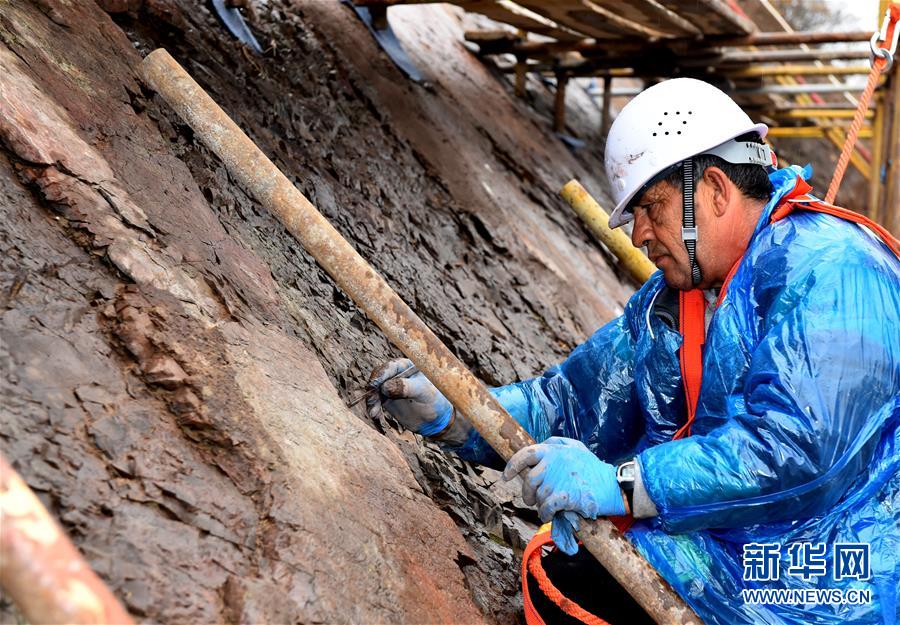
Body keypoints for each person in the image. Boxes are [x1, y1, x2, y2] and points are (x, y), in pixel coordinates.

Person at [366, 78, 899, 625]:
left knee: (591, 584)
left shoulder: (834, 270)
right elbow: (573, 402)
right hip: (741, 550)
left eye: (652, 207)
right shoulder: (676, 300)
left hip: (842, 574)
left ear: (716, 189)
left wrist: (623, 486)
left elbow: (794, 455)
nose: (640, 233)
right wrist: (459, 413)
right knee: (565, 573)